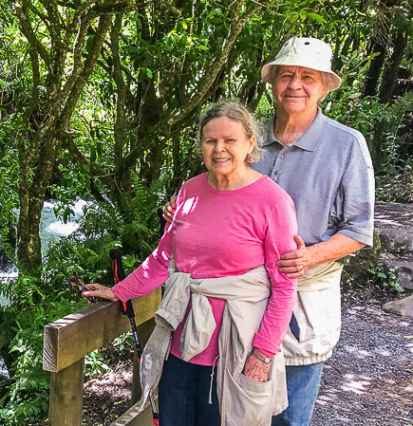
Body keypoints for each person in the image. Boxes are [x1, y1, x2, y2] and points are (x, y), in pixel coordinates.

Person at [163, 37, 375, 426]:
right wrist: (185, 211)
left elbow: (359, 229)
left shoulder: (346, 145)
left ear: (325, 85)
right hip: (238, 306)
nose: (295, 85)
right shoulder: (246, 136)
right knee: (232, 408)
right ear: (272, 83)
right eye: (286, 75)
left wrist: (307, 257)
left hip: (304, 299)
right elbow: (213, 189)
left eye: (307, 76)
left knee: (288, 414)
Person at [83, 101, 299, 426]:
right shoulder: (189, 190)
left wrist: (263, 353)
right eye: (211, 140)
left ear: (250, 143)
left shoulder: (272, 201)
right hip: (181, 343)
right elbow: (162, 258)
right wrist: (119, 292)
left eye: (230, 140)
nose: (219, 148)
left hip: (235, 348)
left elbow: (284, 287)